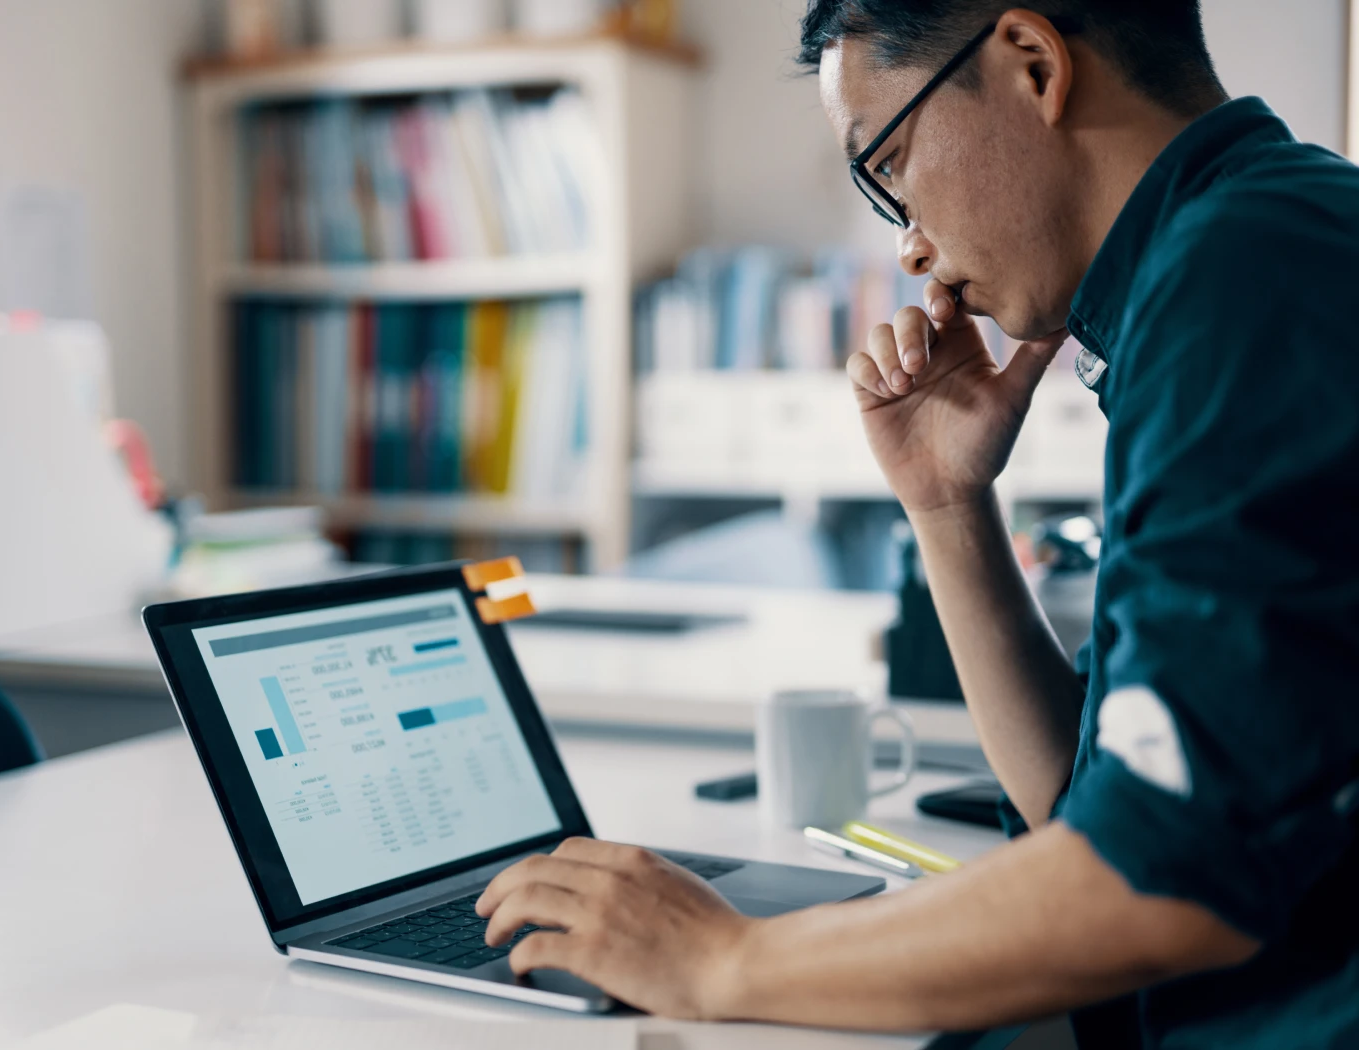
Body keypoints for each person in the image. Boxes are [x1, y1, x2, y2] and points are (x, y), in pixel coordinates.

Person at [474, 3, 1359, 1044]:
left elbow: (1161, 877)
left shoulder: (1242, 281)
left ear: (1032, 63)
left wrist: (724, 958)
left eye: (889, 162)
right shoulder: (1241, 251)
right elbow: (1090, 812)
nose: (908, 247)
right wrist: (948, 505)